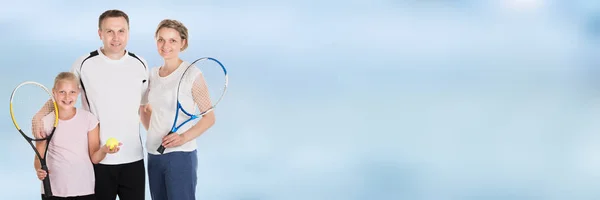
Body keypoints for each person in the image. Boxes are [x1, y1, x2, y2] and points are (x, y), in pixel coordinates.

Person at [33, 9, 150, 200]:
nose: (116, 37)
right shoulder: (84, 63)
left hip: (134, 159)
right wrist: (39, 116)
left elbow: (144, 107)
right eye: (109, 31)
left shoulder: (140, 64)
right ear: (100, 33)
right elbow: (65, 94)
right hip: (96, 160)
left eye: (121, 31)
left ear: (128, 32)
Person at [140, 19, 216, 200]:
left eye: (172, 40)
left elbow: (209, 118)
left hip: (181, 156)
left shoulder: (192, 74)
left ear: (183, 43)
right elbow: (144, 109)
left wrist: (182, 138)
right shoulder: (151, 74)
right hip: (154, 154)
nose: (166, 45)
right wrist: (154, 133)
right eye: (161, 40)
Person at [34, 72, 121, 200]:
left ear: (78, 92)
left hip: (84, 189)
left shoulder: (89, 119)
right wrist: (39, 170)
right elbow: (38, 158)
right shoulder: (45, 122)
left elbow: (95, 158)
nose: (67, 96)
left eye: (72, 92)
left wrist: (104, 150)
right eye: (62, 92)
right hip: (53, 190)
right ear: (54, 92)